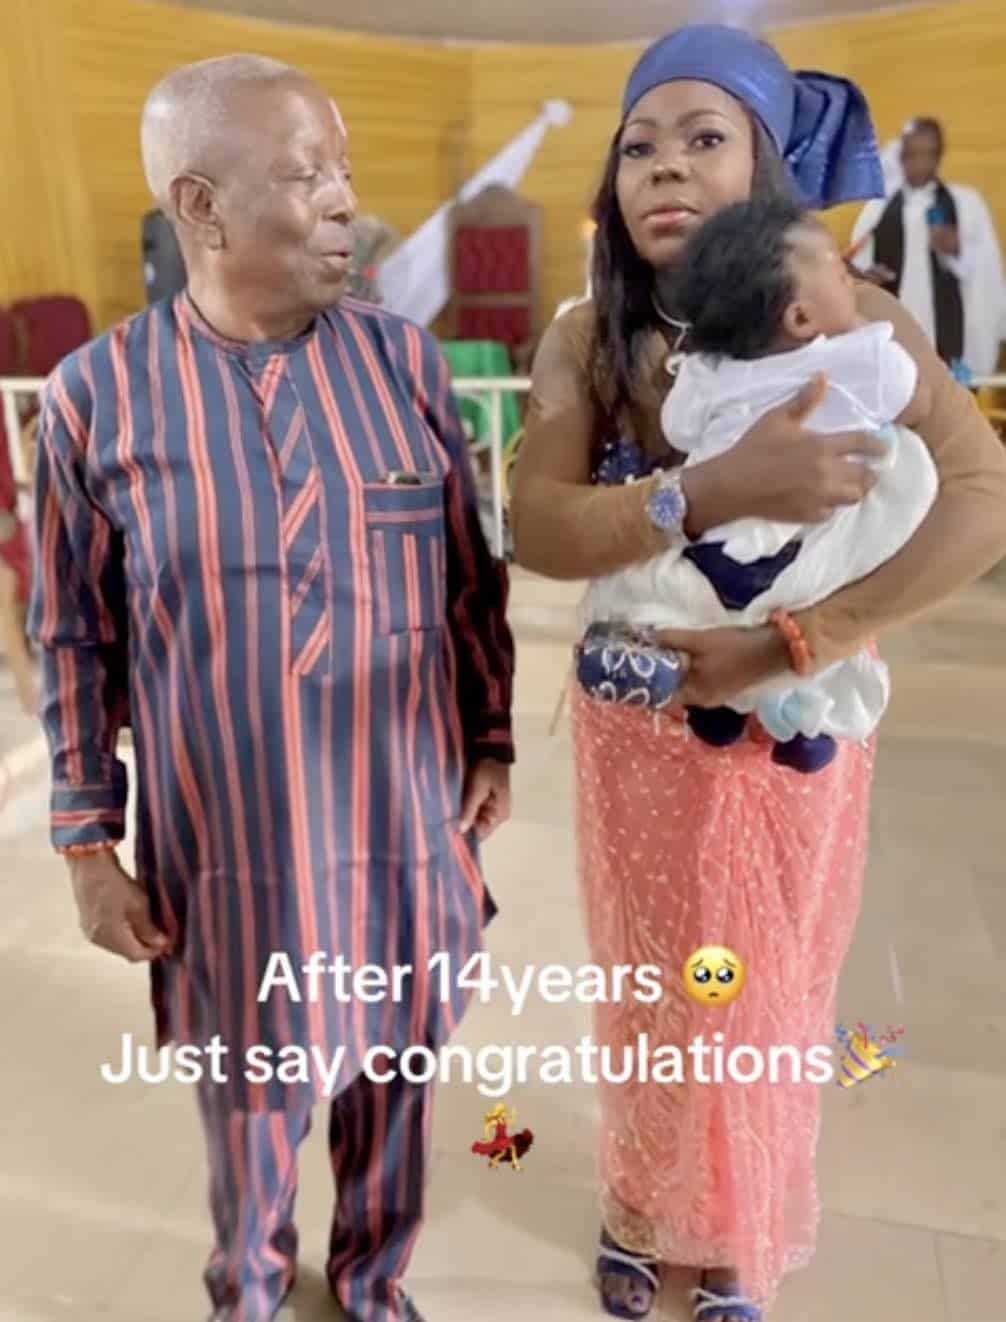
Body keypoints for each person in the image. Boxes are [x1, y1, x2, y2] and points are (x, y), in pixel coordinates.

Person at [510, 24, 1006, 1322]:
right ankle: (640, 1203)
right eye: (637, 146)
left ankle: (737, 1228)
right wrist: (706, 490)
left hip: (798, 714)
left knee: (770, 981)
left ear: (766, 169)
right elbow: (539, 528)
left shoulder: (854, 318)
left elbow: (981, 496)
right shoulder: (592, 335)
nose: (664, 166)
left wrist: (797, 641)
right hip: (644, 722)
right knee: (655, 979)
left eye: (703, 137)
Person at [29, 54, 514, 1322]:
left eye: (344, 167)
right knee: (251, 1085)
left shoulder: (405, 366)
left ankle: (371, 1279)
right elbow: (71, 636)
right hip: (231, 844)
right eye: (308, 176)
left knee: (396, 1065)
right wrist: (88, 843)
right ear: (200, 205)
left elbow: (470, 579)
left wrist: (493, 738)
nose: (347, 200)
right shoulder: (93, 398)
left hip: (404, 827)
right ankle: (246, 1285)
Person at [580, 196, 938, 774]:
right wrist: (862, 331)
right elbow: (910, 395)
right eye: (841, 274)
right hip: (804, 556)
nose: (852, 284)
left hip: (711, 552)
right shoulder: (856, 361)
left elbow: (678, 426)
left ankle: (683, 676)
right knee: (908, 465)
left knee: (642, 585)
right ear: (800, 319)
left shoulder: (707, 370)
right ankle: (798, 712)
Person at [850, 117, 1005, 374]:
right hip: (897, 326)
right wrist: (866, 277)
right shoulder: (878, 208)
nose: (919, 163)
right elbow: (855, 268)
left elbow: (988, 274)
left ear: (939, 155)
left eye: (927, 154)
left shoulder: (966, 205)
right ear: (902, 155)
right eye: (912, 155)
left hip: (951, 333)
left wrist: (958, 251)